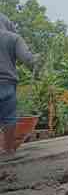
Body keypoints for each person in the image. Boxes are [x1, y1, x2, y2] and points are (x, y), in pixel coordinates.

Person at [0, 13, 38, 160]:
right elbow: (28, 60)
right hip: (6, 84)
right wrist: (36, 60)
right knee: (9, 119)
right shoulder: (13, 38)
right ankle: (8, 151)